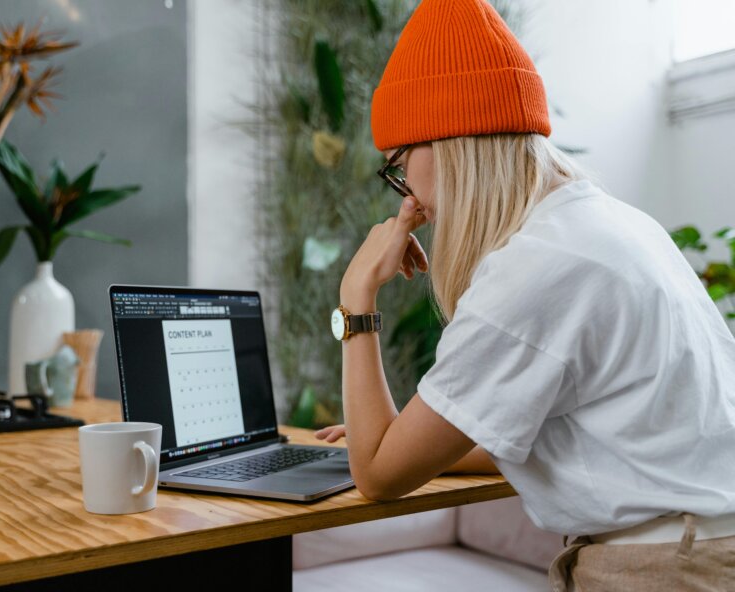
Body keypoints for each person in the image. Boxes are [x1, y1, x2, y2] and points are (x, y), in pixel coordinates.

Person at [313, 0, 735, 589]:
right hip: (700, 546)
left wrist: (356, 297)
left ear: (445, 144)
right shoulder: (608, 225)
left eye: (400, 164)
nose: (406, 192)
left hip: (665, 568)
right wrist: (407, 433)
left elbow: (379, 476)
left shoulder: (534, 270)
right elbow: (571, 435)